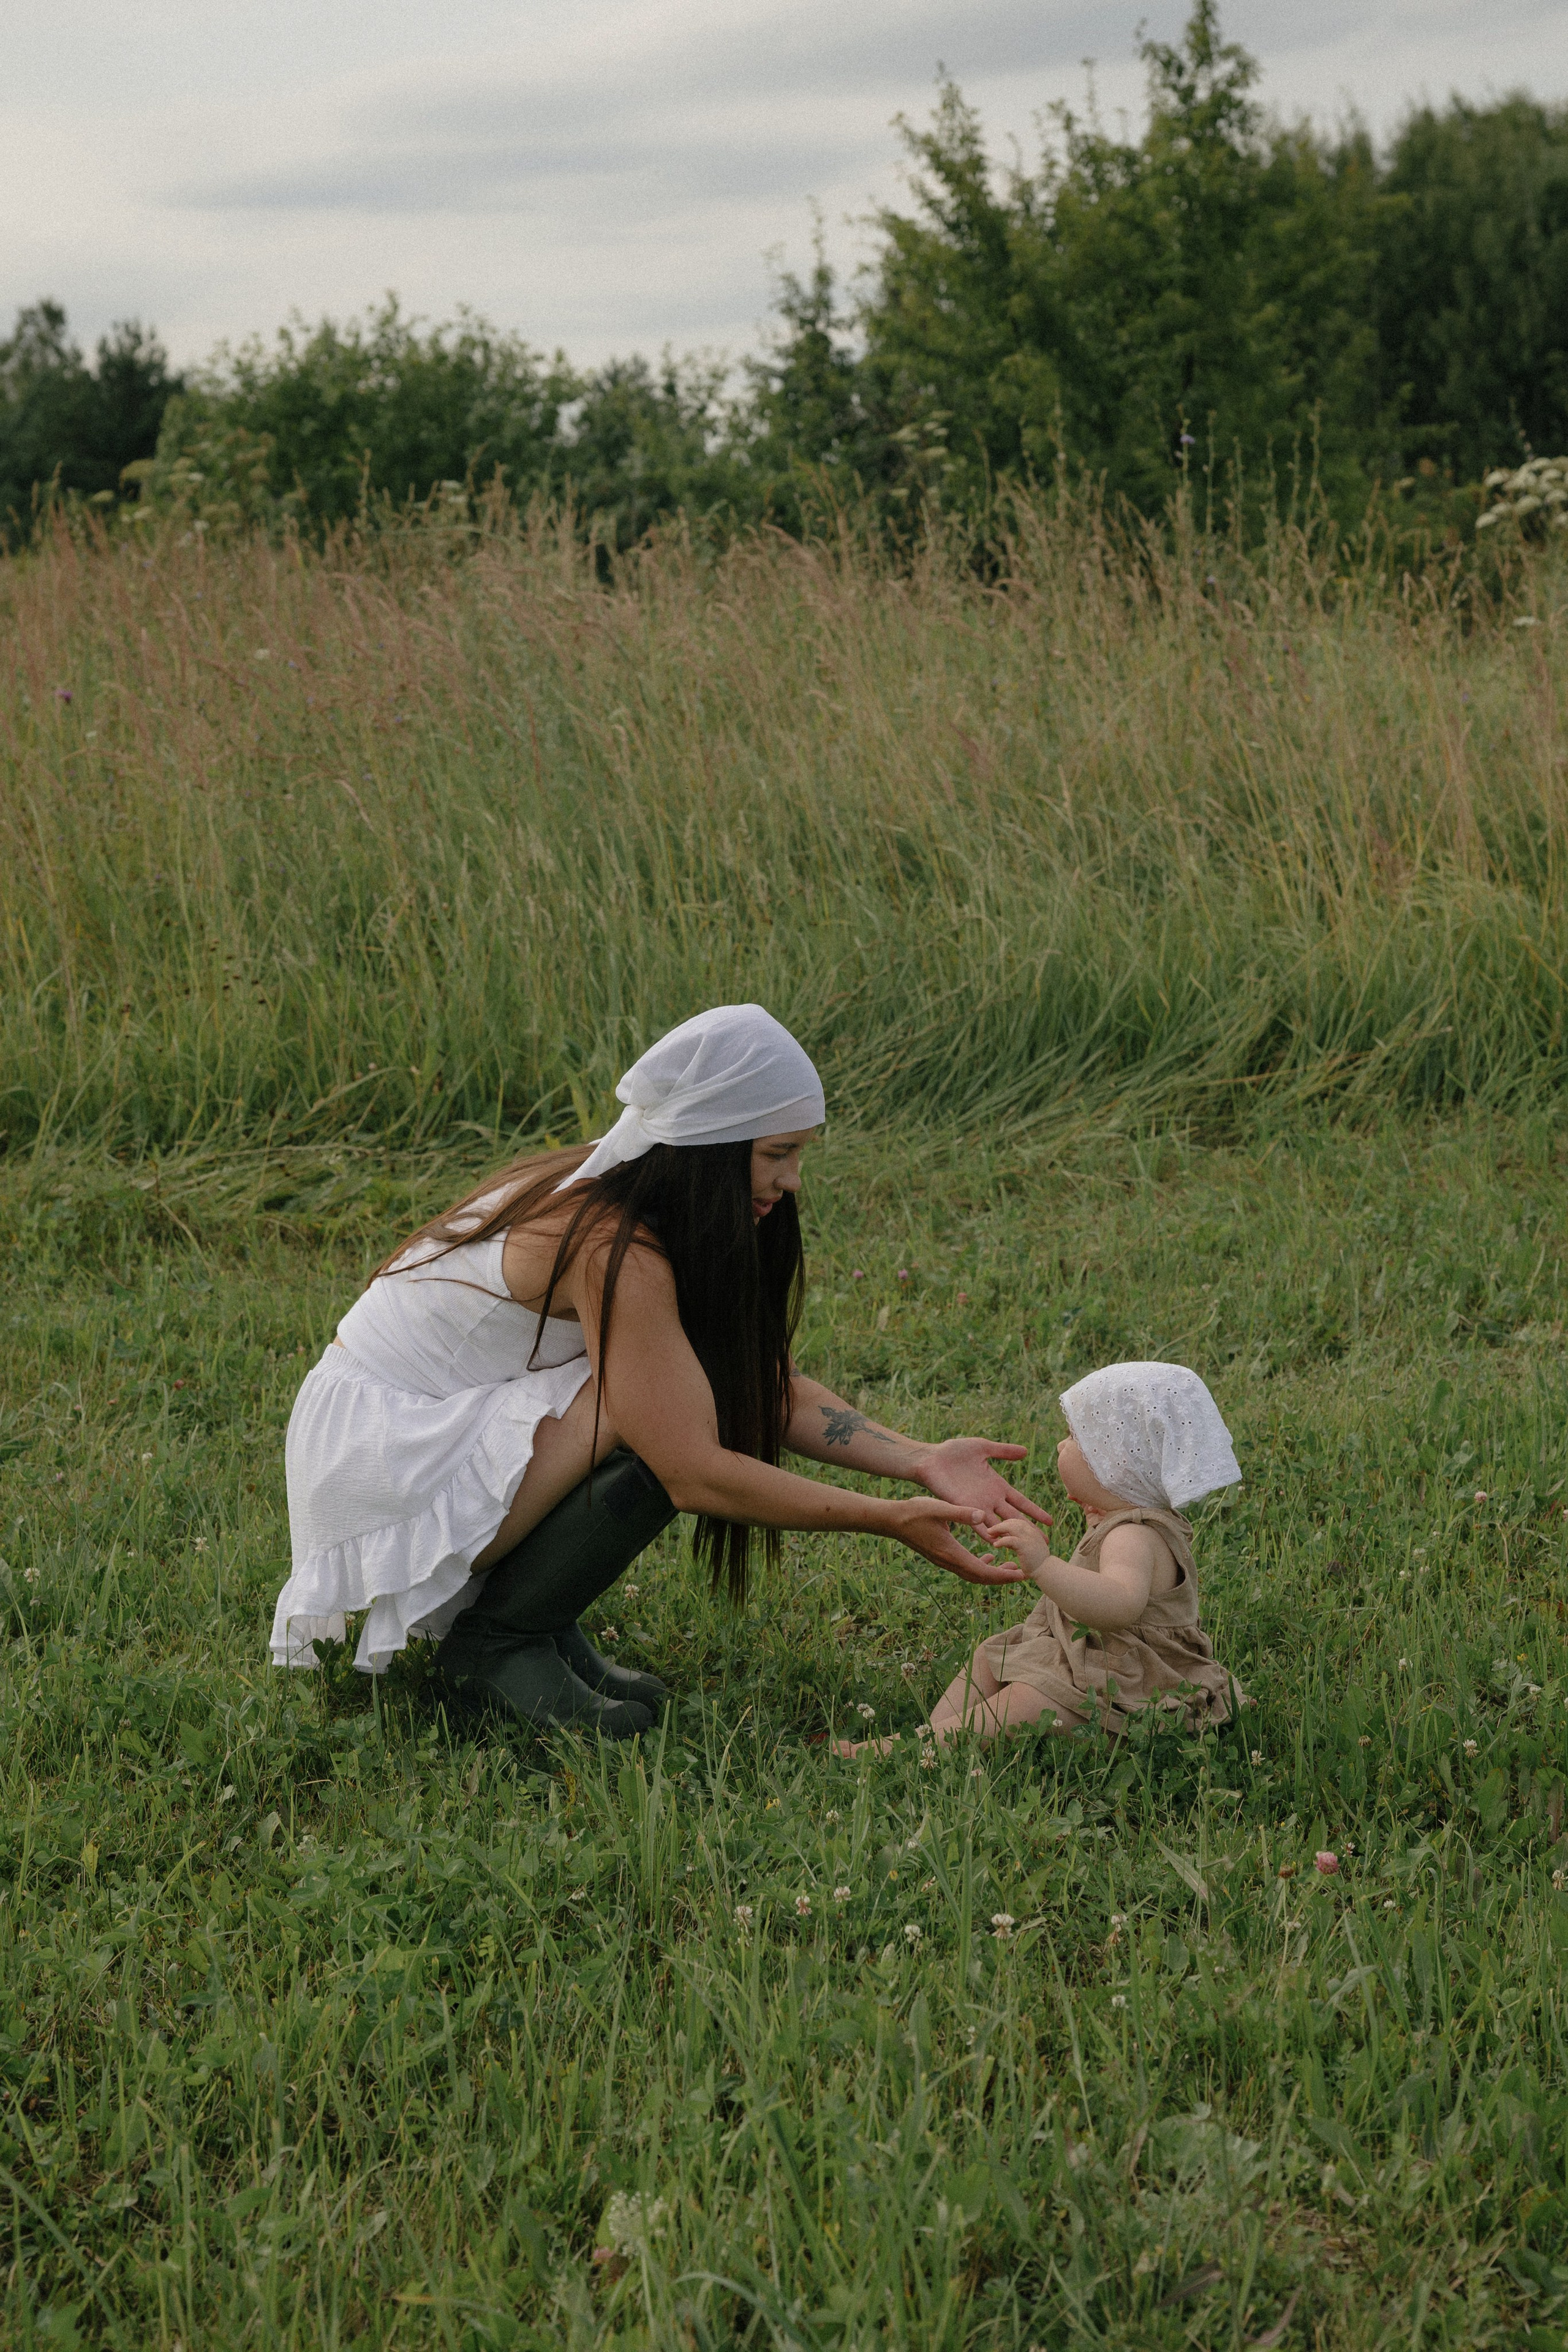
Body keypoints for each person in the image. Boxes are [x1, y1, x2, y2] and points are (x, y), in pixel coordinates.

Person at [271, 1004, 1039, 1738]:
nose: (793, 1180)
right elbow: (693, 1471)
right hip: (381, 1452)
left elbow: (760, 1389)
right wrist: (886, 1520)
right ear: (710, 1146)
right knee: (650, 1420)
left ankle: (535, 1625)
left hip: (432, 1421)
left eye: (799, 1152)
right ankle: (500, 1644)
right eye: (777, 1154)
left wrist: (920, 1460)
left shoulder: (640, 1201)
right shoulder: (612, 1246)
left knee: (663, 1393)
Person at [837, 1360, 1244, 1754]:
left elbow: (1120, 1604)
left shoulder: (1132, 1535)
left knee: (1033, 1700)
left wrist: (1045, 1566)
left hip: (1127, 1685)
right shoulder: (1121, 1522)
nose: (1060, 1445)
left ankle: (904, 1751)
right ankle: (933, 1739)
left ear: (1117, 1464)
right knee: (991, 1658)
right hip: (1090, 1657)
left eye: (1074, 1437)